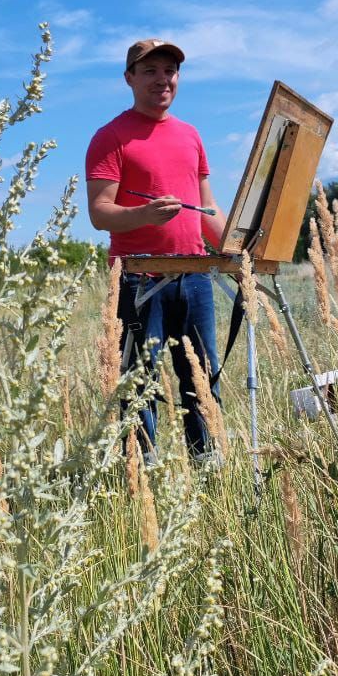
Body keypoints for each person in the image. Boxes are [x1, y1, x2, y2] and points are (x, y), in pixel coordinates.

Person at [85, 38, 228, 463]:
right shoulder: (110, 137)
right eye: (149, 71)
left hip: (195, 276)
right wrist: (146, 215)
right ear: (129, 78)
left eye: (169, 71)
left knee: (200, 377)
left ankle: (208, 469)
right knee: (138, 382)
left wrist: (235, 250)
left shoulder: (190, 135)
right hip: (138, 279)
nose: (161, 80)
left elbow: (207, 208)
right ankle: (142, 474)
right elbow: (100, 213)